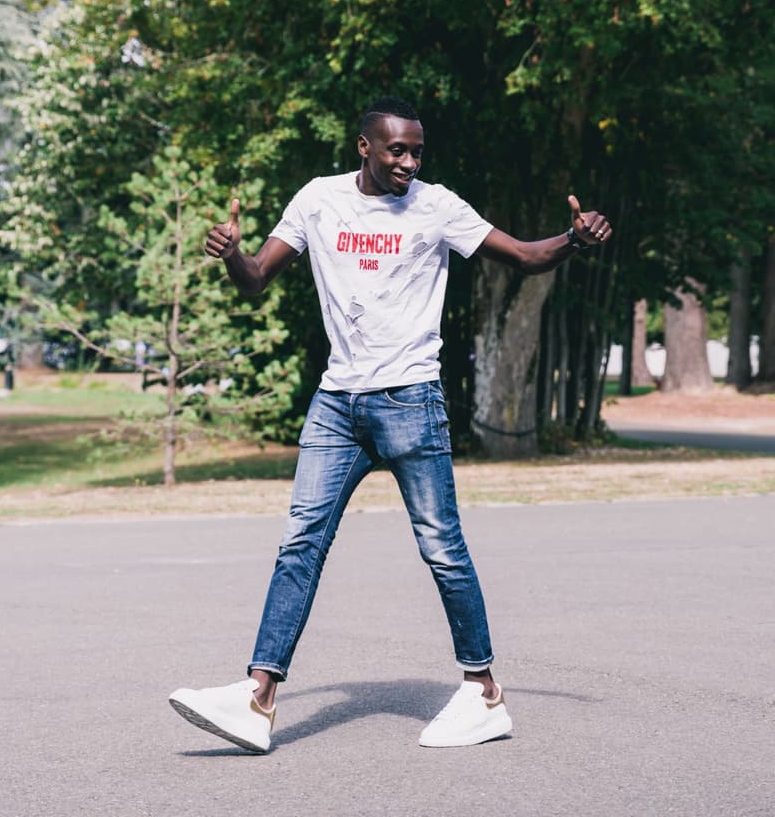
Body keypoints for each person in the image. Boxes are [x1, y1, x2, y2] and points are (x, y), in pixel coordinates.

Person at [169, 96, 612, 752]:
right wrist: (232, 253)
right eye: (397, 150)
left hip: (411, 399)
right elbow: (257, 278)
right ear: (364, 148)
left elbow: (522, 256)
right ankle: (257, 699)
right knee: (300, 544)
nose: (408, 162)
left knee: (442, 547)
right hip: (337, 405)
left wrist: (573, 242)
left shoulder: (436, 207)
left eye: (416, 151)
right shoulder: (318, 201)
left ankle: (484, 694)